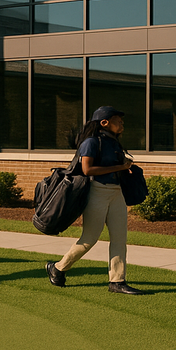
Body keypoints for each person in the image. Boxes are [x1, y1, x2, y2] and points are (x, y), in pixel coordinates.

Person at [45, 106, 146, 295]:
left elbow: (116, 167)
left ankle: (117, 281)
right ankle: (58, 268)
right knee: (89, 239)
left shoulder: (114, 142)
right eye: (118, 120)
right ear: (104, 122)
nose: (122, 123)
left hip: (117, 193)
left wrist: (126, 168)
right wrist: (119, 167)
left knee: (119, 239)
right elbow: (87, 170)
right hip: (96, 192)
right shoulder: (91, 142)